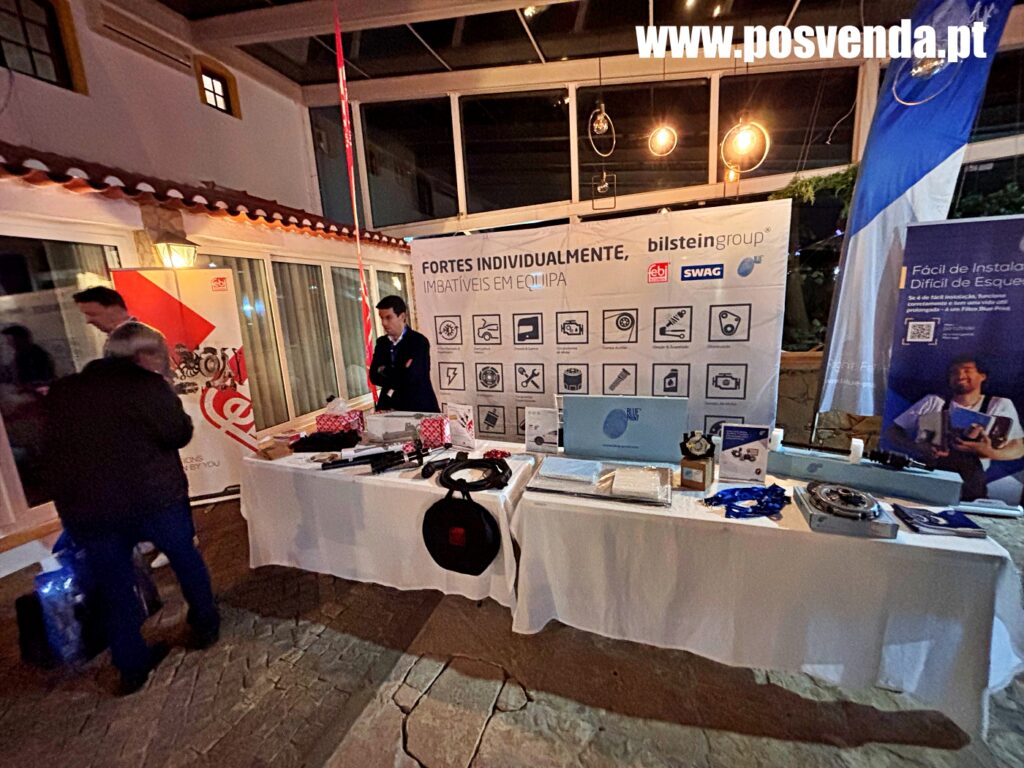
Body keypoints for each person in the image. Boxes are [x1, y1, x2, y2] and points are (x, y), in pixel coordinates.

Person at [43, 322, 220, 694]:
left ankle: (131, 666)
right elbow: (178, 433)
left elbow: (50, 450)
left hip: (90, 509)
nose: (163, 362)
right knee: (185, 559)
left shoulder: (64, 391)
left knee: (113, 585)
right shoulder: (148, 386)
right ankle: (205, 626)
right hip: (154, 500)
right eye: (159, 355)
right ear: (144, 355)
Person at [885, 355, 1024, 501]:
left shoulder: (999, 405)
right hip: (927, 476)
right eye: (954, 372)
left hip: (970, 484)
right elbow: (892, 432)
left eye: (967, 370)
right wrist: (916, 446)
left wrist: (988, 452)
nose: (960, 375)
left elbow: (1019, 448)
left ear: (982, 376)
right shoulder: (933, 402)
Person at [369, 295, 439, 412]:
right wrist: (401, 370)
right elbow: (374, 377)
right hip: (388, 408)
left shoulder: (418, 341)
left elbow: (413, 377)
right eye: (381, 318)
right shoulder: (382, 343)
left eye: (388, 317)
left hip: (417, 408)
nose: (384, 323)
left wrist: (384, 370)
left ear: (402, 316)